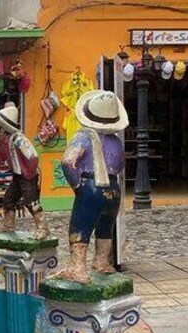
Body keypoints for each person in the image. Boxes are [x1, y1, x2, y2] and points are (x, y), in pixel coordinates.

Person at [51, 90, 128, 284]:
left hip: (91, 185)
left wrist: (78, 186)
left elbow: (68, 161)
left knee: (80, 227)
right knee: (105, 226)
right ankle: (102, 262)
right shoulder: (116, 142)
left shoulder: (84, 136)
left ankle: (78, 268)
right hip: (113, 188)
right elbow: (120, 166)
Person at [0, 102, 50, 239]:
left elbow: (33, 156)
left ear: (2, 128)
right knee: (9, 199)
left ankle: (43, 228)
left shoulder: (18, 139)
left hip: (28, 176)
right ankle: (8, 226)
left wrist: (29, 173)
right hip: (18, 176)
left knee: (31, 201)